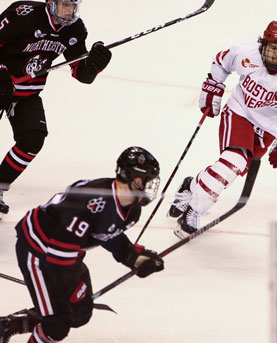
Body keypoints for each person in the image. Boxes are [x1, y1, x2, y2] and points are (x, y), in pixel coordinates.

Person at [168, 20, 277, 237]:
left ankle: (191, 186)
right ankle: (195, 208)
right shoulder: (246, 52)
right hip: (239, 113)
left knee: (232, 170)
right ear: (262, 45)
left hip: (269, 129)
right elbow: (221, 61)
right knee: (233, 163)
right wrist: (213, 85)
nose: (276, 55)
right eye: (272, 48)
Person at [0, 146, 164, 343]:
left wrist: (132, 256)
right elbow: (58, 255)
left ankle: (9, 325)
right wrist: (68, 290)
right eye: (145, 181)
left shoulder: (131, 210)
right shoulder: (91, 203)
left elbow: (107, 232)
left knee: (79, 313)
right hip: (37, 250)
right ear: (133, 178)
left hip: (66, 254)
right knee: (57, 324)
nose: (147, 187)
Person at [0, 0, 112, 214]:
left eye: (72, 4)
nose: (68, 10)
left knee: (32, 140)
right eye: (63, 4)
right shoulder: (22, 15)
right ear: (49, 2)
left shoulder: (74, 29)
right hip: (1, 85)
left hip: (27, 93)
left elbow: (82, 74)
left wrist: (96, 63)